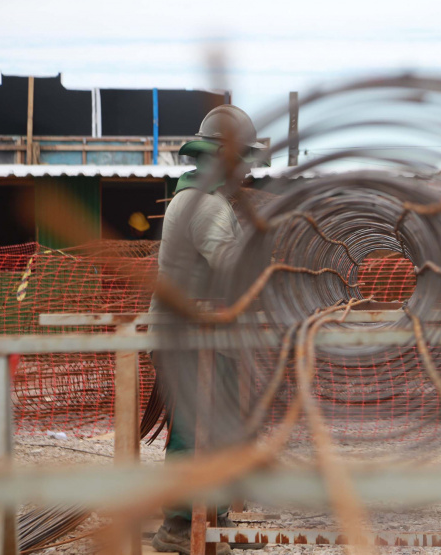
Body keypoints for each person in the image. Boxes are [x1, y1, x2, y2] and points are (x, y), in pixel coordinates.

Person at [149, 104, 265, 555]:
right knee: (193, 431)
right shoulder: (207, 206)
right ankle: (180, 525)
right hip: (192, 337)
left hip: (203, 332)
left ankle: (212, 517)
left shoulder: (200, 199)